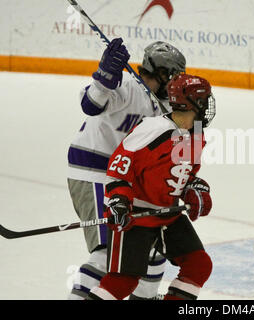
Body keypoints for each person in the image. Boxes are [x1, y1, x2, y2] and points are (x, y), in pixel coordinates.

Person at [67, 38, 186, 300]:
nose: (177, 83)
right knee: (107, 253)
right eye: (174, 76)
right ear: (162, 73)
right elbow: (91, 104)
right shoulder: (127, 87)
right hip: (94, 171)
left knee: (152, 252)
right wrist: (105, 77)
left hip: (129, 180)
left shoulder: (166, 107)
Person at [85, 73, 216, 300]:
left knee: (198, 265)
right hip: (136, 214)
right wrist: (118, 200)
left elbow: (184, 174)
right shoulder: (153, 130)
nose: (209, 106)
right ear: (193, 103)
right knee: (123, 281)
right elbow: (118, 167)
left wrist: (194, 189)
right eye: (205, 100)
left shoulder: (196, 133)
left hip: (167, 213)